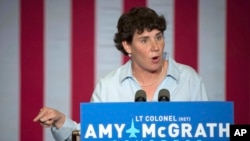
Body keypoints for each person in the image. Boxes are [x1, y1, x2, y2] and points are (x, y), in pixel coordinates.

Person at [33, 7, 208, 141]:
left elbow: (210, 131)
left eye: (159, 37)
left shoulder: (189, 79)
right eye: (144, 40)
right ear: (127, 46)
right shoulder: (109, 86)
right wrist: (61, 122)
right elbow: (93, 136)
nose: (155, 46)